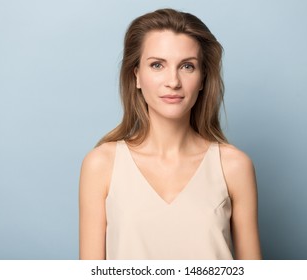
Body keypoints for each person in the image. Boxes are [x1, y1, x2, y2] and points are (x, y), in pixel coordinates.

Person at [79, 8, 261, 260]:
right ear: (137, 76)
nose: (173, 81)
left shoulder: (234, 166)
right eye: (157, 65)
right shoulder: (101, 164)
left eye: (187, 66)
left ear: (202, 78)